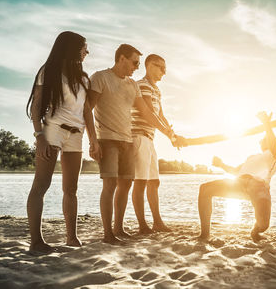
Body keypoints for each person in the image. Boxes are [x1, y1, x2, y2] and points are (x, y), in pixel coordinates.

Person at [87, 44, 175, 244]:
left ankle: (119, 228)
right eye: (135, 62)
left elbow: (146, 111)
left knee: (125, 184)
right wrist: (93, 140)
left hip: (127, 139)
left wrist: (167, 132)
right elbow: (87, 109)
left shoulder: (132, 85)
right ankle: (108, 233)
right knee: (110, 185)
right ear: (121, 58)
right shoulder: (100, 78)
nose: (136, 67)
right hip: (108, 138)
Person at [26, 31, 100, 253]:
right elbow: (36, 107)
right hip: (52, 131)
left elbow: (87, 111)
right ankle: (36, 242)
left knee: (71, 188)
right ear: (71, 48)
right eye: (84, 47)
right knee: (41, 184)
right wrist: (39, 137)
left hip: (76, 134)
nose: (87, 51)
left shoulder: (84, 78)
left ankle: (71, 237)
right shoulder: (48, 71)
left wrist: (94, 140)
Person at [198, 112, 276, 242]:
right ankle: (204, 234)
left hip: (258, 186)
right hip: (239, 182)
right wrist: (221, 164)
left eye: (265, 138)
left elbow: (273, 144)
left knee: (263, 225)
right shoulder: (252, 157)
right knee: (204, 189)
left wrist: (267, 124)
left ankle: (255, 231)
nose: (262, 140)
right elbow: (235, 170)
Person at [131, 54, 183, 234]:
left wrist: (172, 136)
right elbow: (147, 114)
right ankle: (142, 225)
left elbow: (160, 116)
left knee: (154, 181)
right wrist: (166, 132)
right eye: (160, 67)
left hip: (150, 139)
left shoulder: (156, 90)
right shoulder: (141, 85)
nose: (164, 72)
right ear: (149, 65)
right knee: (140, 182)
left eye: (165, 69)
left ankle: (157, 222)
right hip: (138, 136)